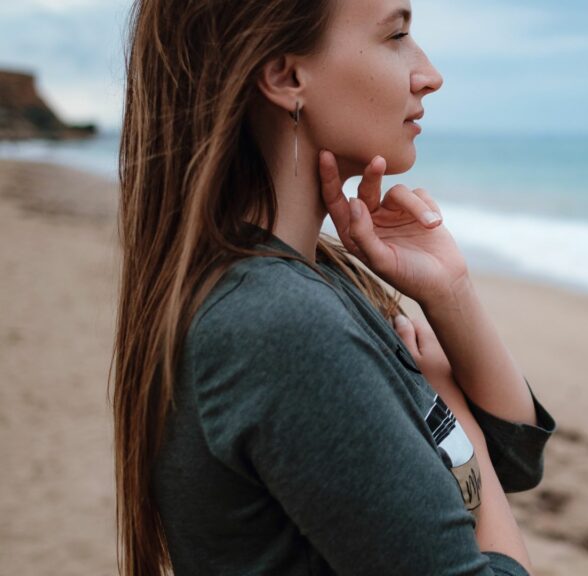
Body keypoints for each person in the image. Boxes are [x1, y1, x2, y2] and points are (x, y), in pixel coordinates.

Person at [110, 0, 557, 574]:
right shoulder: (276, 322)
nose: (430, 74)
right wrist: (451, 408)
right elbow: (484, 485)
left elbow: (511, 460)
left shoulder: (313, 277)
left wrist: (451, 293)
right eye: (397, 35)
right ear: (286, 76)